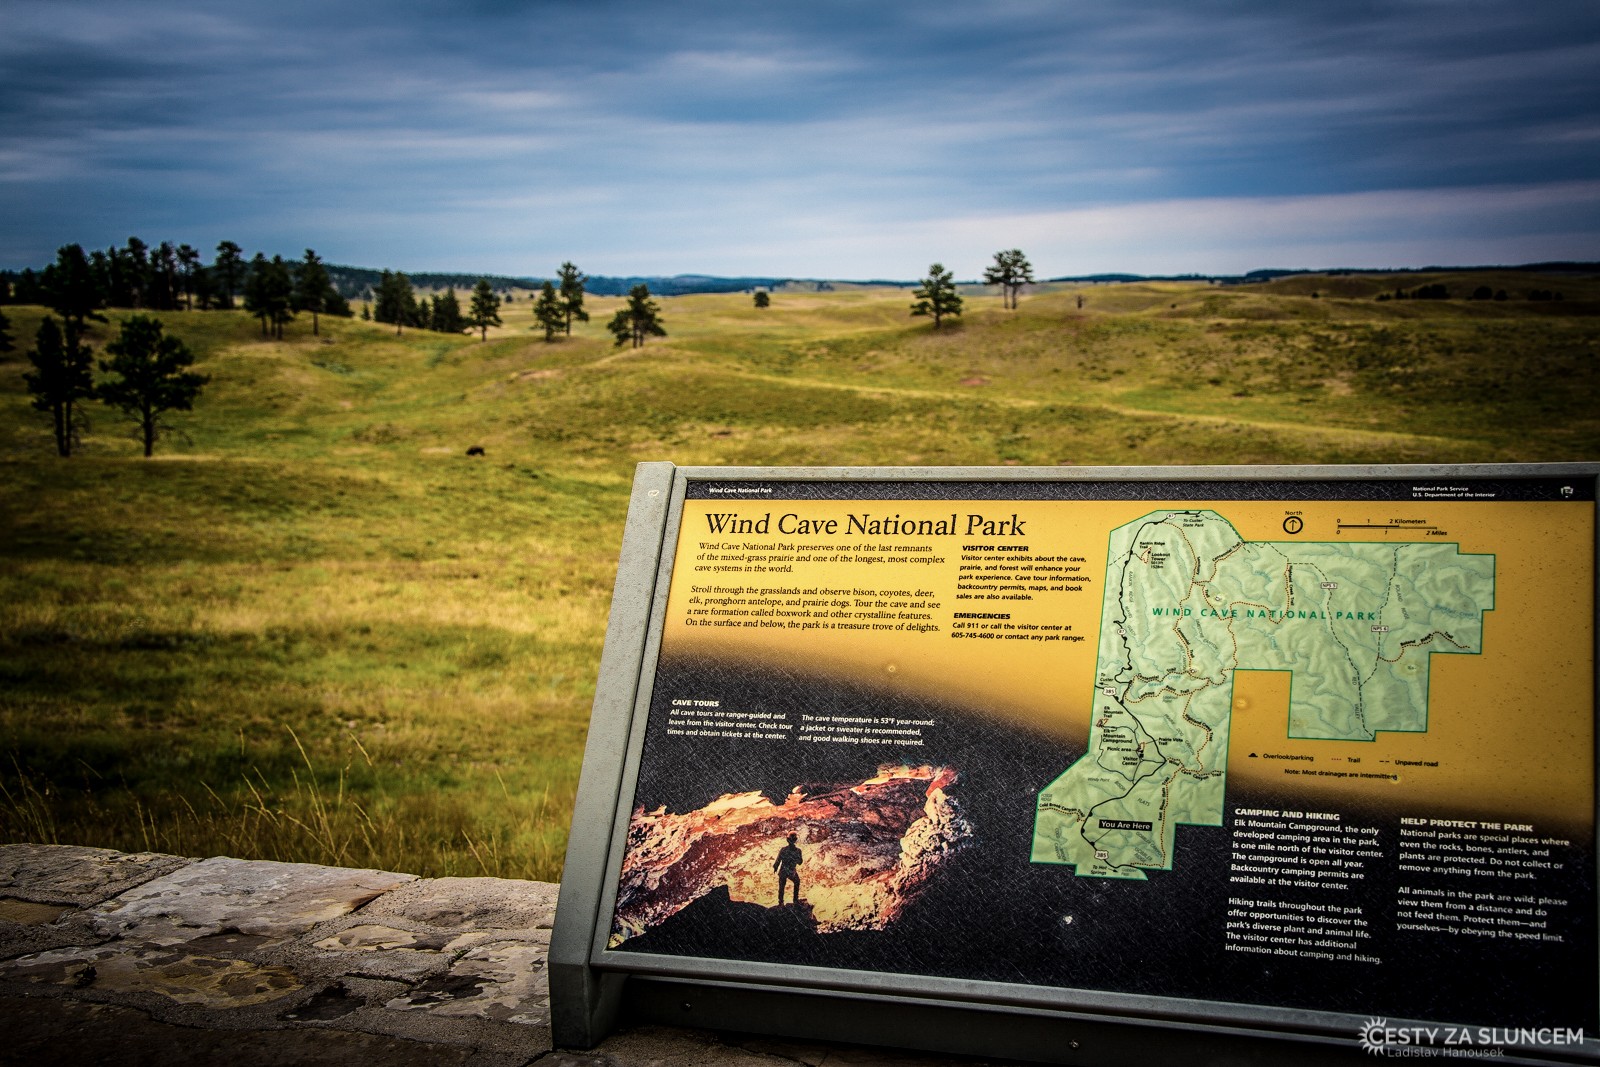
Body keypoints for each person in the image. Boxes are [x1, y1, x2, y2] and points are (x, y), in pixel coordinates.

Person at [774, 832, 803, 905]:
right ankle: (795, 900)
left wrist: (775, 867)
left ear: (787, 840)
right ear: (795, 840)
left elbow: (778, 860)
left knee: (781, 886)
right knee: (797, 882)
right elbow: (800, 862)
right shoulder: (798, 851)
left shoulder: (783, 849)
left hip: (783, 871)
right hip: (791, 871)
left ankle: (781, 902)